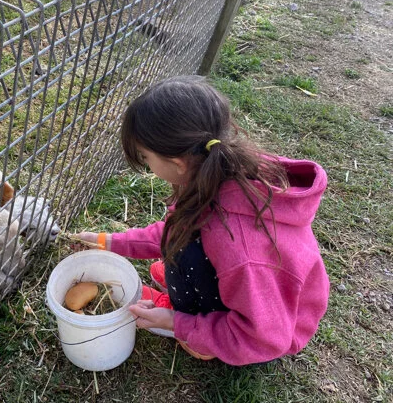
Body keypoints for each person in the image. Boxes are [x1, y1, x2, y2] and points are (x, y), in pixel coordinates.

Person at [73, 75, 330, 366]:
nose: (146, 165)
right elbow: (175, 230)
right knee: (186, 245)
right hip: (260, 297)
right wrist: (108, 242)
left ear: (178, 163)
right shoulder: (217, 168)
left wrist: (176, 323)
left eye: (145, 158)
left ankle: (201, 332)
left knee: (190, 252)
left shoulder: (235, 245)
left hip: (261, 334)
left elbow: (264, 338)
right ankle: (190, 288)